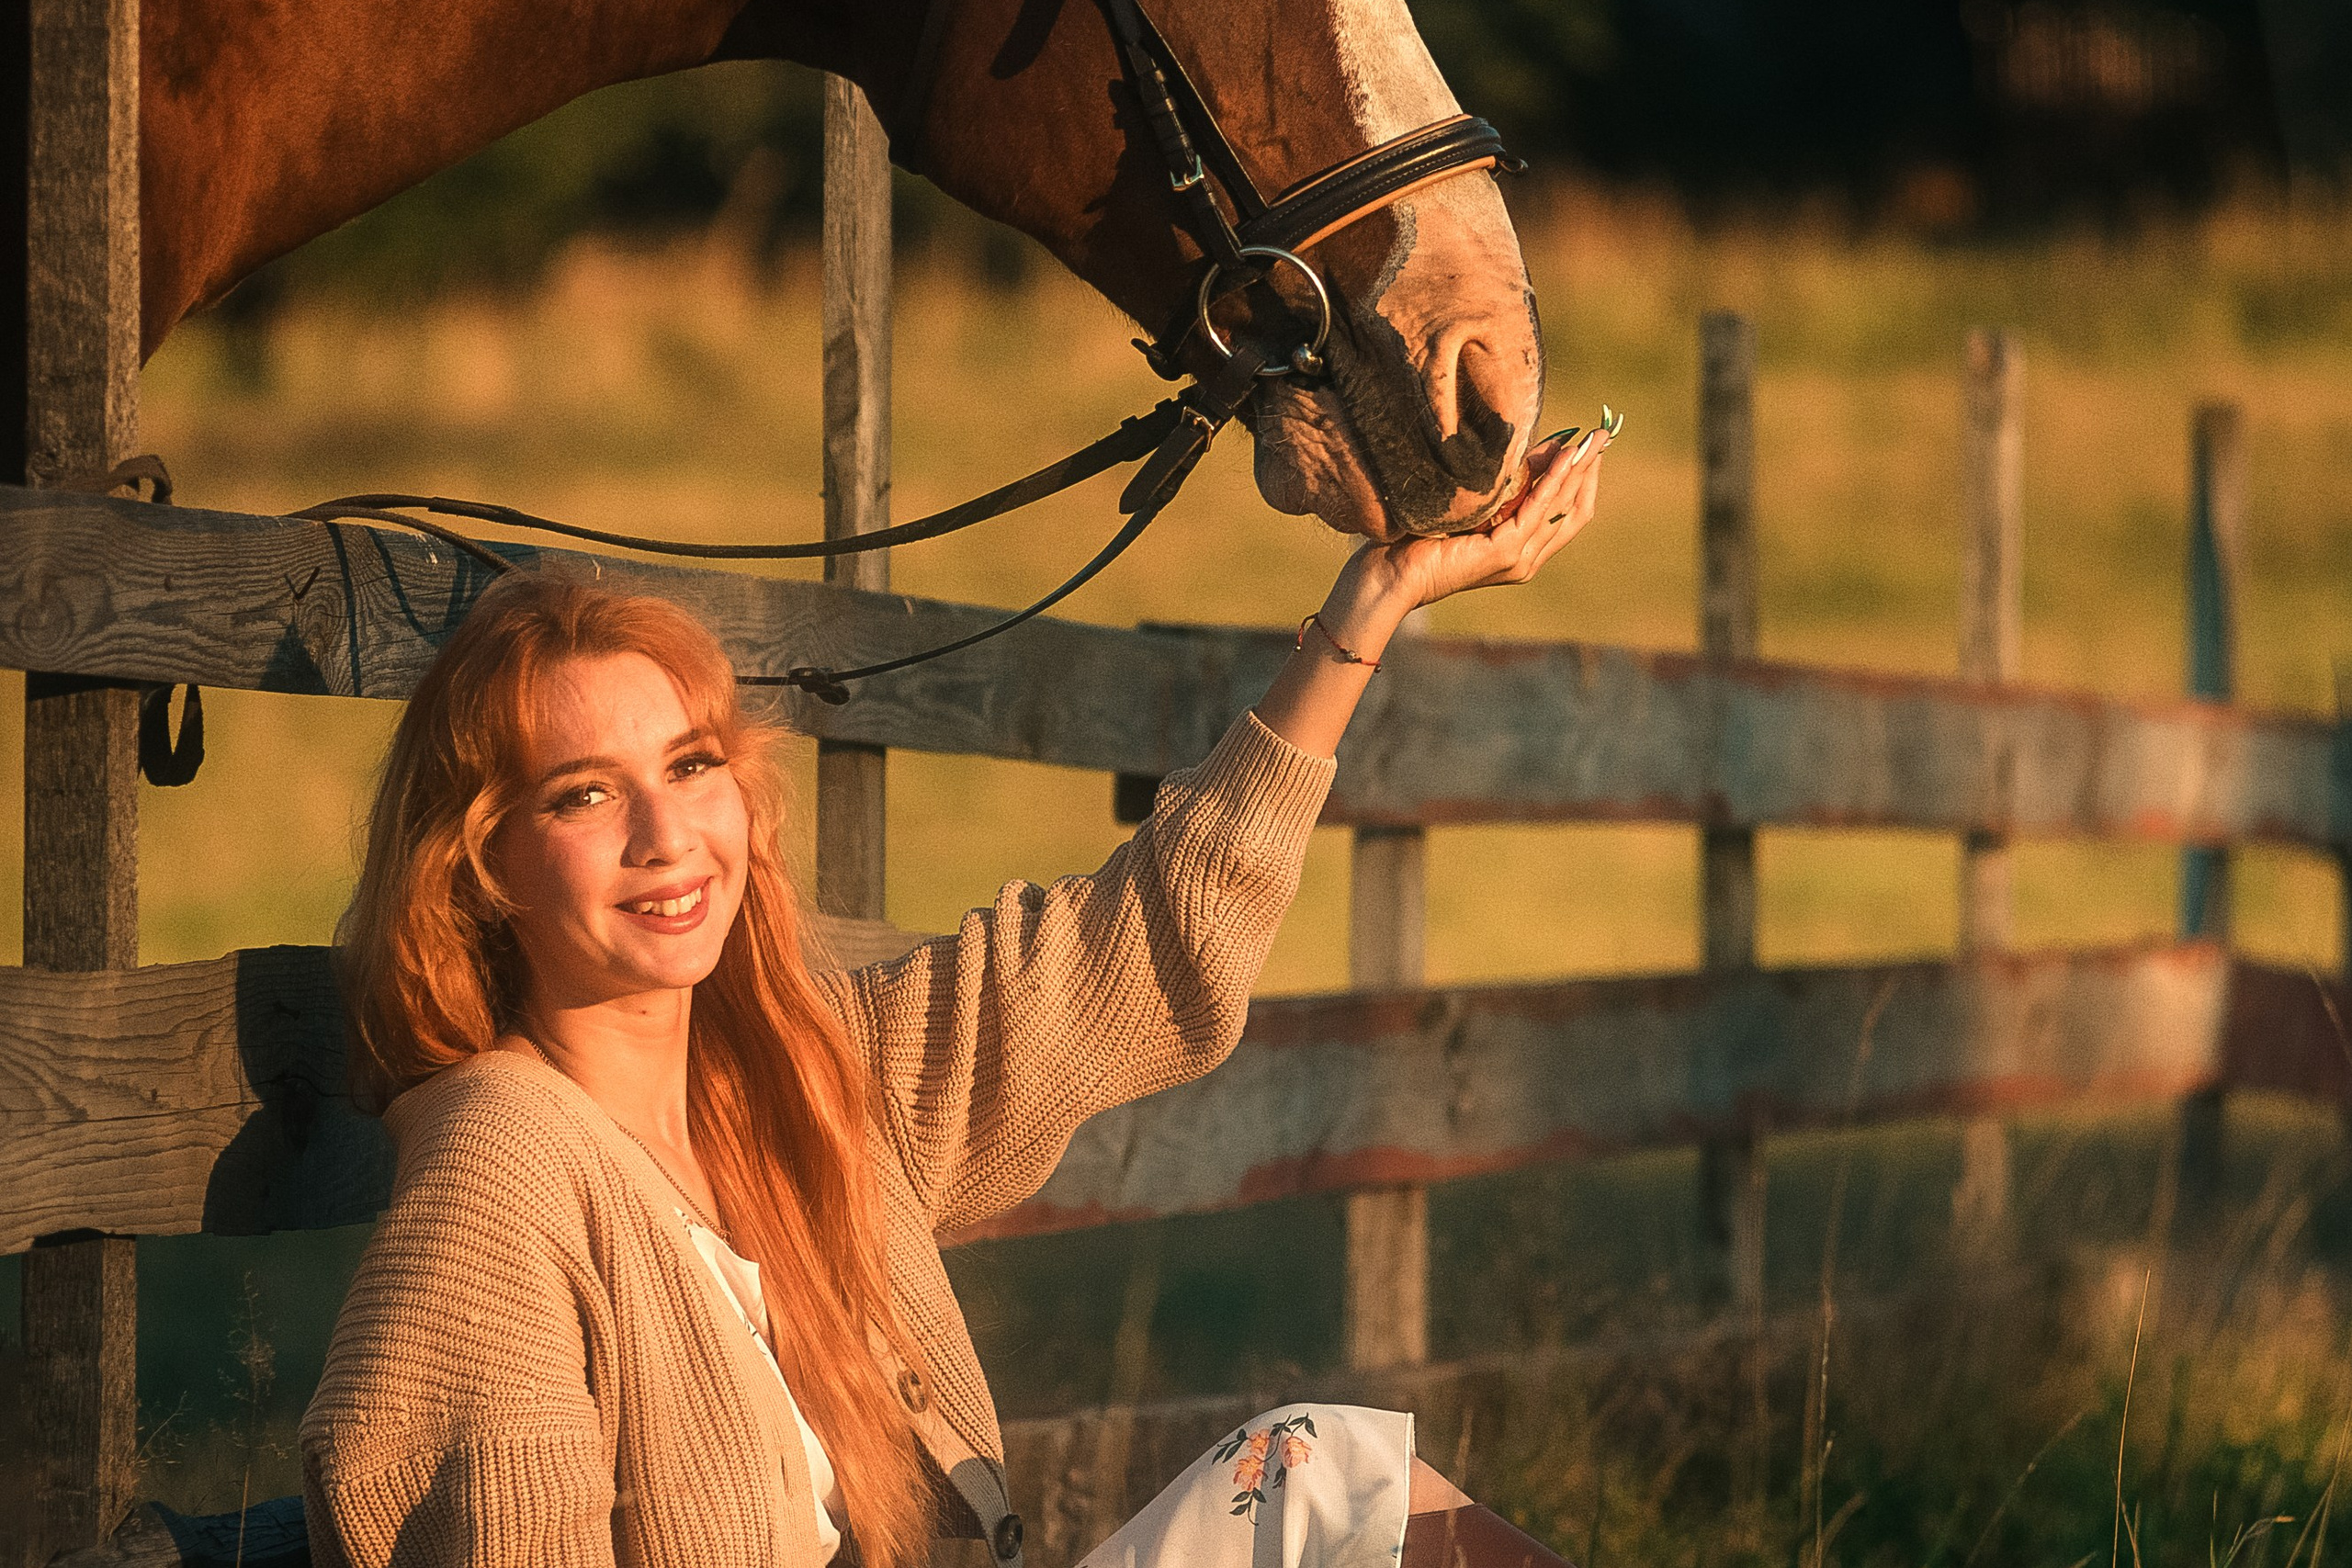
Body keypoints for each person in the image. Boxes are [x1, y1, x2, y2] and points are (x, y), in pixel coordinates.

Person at [300, 422, 1611, 1568]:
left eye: (691, 766)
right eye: (583, 793)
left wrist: (1374, 603)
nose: (666, 834)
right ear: (484, 864)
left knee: (1319, 1483)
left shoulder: (807, 1084)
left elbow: (1139, 946)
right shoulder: (498, 1175)